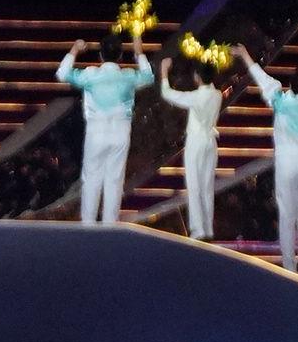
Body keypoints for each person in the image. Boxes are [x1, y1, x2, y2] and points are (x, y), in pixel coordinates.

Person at [241, 43, 298, 278]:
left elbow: (262, 79)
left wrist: (245, 56)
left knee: (287, 216)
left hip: (287, 165)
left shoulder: (281, 101)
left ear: (291, 84)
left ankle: (289, 266)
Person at [54, 31, 156, 228]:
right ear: (120, 56)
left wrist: (75, 49)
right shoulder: (128, 76)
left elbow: (62, 73)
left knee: (92, 178)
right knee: (114, 179)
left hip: (96, 132)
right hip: (120, 133)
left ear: (100, 55)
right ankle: (110, 225)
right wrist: (138, 52)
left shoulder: (91, 74)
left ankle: (88, 225)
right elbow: (148, 76)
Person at [155, 41, 230, 241]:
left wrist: (164, 71)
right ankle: (208, 229)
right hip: (210, 143)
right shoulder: (216, 94)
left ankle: (198, 230)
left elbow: (167, 93)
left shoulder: (197, 97)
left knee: (195, 186)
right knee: (207, 187)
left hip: (196, 142)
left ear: (197, 77)